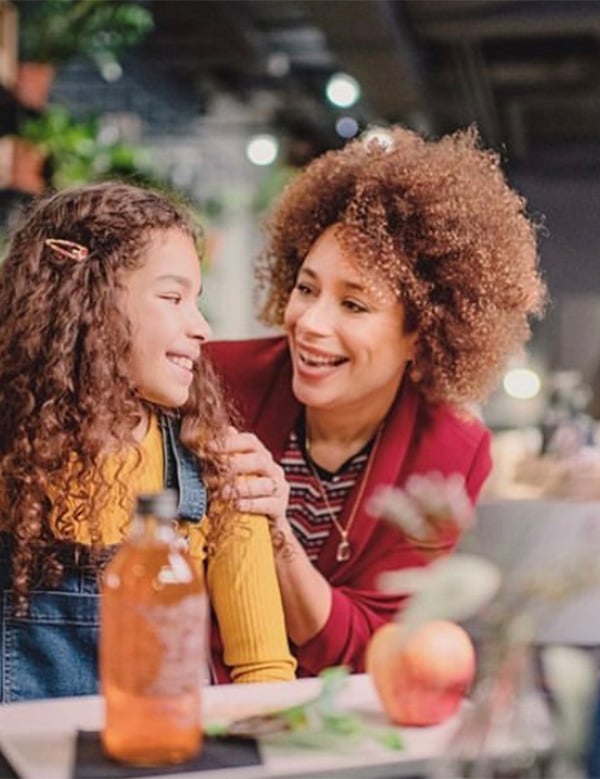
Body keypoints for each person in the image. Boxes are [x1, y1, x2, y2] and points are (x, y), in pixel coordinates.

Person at [206, 125, 547, 677]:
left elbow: (376, 645)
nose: (311, 324)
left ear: (422, 334)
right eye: (307, 288)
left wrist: (278, 538)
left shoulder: (450, 450)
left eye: (355, 305)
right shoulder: (218, 381)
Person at [0, 182, 296, 702]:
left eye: (196, 301)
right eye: (172, 297)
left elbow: (264, 674)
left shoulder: (216, 466)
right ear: (91, 301)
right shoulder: (12, 455)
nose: (202, 327)